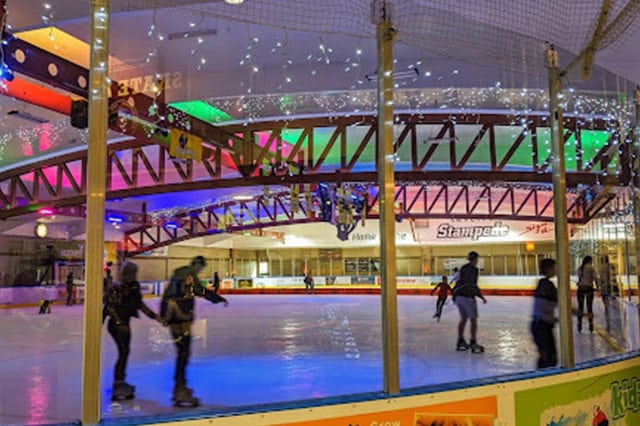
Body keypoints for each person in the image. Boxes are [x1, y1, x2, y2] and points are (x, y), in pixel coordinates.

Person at [103, 262, 161, 400]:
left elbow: (139, 304)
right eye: (132, 272)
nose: (134, 275)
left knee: (124, 352)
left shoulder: (133, 286)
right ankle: (118, 383)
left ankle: (120, 381)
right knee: (123, 352)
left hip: (122, 323)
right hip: (118, 324)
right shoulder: (117, 286)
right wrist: (119, 321)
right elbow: (109, 306)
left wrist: (154, 316)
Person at [160, 255, 211, 407]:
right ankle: (180, 389)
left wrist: (163, 315)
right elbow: (201, 291)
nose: (200, 270)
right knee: (184, 352)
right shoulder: (189, 275)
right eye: (200, 267)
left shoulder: (178, 275)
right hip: (181, 317)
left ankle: (179, 387)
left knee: (182, 352)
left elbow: (166, 296)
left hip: (172, 317)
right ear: (196, 264)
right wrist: (217, 298)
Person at [453, 251, 487, 353]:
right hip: (467, 297)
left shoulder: (463, 268)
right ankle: (473, 342)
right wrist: (481, 296)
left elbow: (459, 281)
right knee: (473, 320)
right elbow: (472, 284)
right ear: (475, 259)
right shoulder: (473, 270)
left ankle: (460, 340)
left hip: (458, 296)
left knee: (463, 318)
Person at [531, 258, 558, 369]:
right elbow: (545, 305)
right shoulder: (546, 285)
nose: (555, 270)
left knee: (548, 358)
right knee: (548, 358)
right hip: (542, 327)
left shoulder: (543, 284)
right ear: (548, 269)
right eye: (554, 268)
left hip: (540, 325)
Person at [576, 255, 596, 333]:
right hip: (589, 289)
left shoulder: (580, 268)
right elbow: (595, 278)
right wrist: (598, 287)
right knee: (589, 307)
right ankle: (590, 324)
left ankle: (579, 324)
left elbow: (579, 279)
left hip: (581, 289)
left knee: (580, 307)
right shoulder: (591, 268)